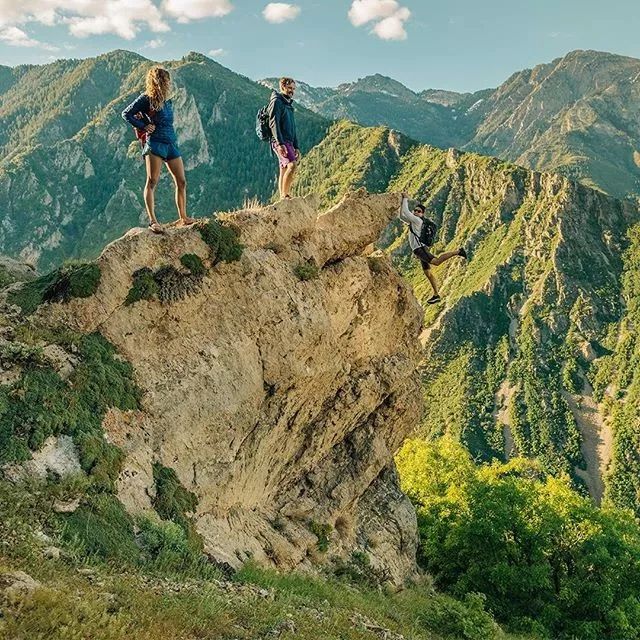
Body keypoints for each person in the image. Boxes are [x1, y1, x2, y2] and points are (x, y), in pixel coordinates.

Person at [122, 66, 196, 233]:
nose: (167, 83)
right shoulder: (146, 99)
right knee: (152, 181)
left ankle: (183, 217)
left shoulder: (167, 101)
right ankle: (152, 221)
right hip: (155, 143)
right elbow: (126, 114)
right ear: (158, 81)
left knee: (182, 181)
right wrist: (144, 126)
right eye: (165, 80)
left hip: (171, 143)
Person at [400, 193, 467, 304]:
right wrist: (401, 203)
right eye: (415, 210)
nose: (416, 212)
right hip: (420, 249)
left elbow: (406, 213)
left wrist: (405, 198)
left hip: (420, 249)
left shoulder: (417, 221)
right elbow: (403, 216)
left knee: (436, 262)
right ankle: (436, 295)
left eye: (418, 211)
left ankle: (458, 252)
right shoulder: (413, 221)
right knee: (428, 273)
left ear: (422, 214)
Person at [268, 77, 300, 200]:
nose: (292, 91)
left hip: (289, 141)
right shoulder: (277, 102)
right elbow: (273, 123)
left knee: (284, 169)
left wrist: (296, 146)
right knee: (292, 166)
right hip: (280, 141)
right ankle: (285, 196)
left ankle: (282, 196)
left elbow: (293, 127)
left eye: (293, 89)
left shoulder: (288, 104)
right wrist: (280, 143)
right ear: (282, 87)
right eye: (289, 88)